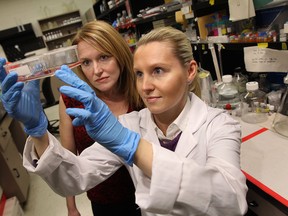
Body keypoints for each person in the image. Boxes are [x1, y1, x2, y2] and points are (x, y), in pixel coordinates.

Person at [0, 27, 248, 215]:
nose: (146, 86)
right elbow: (74, 178)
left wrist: (132, 146)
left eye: (158, 71)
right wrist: (38, 132)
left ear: (190, 71)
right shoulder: (130, 124)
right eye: (139, 74)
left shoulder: (220, 124)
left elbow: (231, 200)